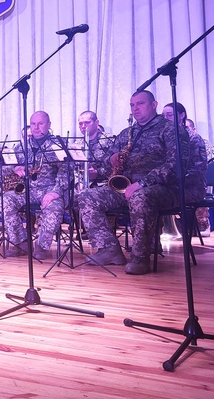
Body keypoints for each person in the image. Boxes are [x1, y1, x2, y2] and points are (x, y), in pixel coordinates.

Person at [78, 90, 189, 274]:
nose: (135, 108)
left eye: (140, 103)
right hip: (126, 187)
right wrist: (111, 159)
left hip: (162, 188)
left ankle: (140, 257)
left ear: (154, 105)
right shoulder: (126, 133)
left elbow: (176, 165)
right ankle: (109, 249)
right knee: (87, 196)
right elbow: (105, 165)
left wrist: (142, 183)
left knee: (139, 197)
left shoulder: (171, 130)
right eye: (132, 105)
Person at [1, 111, 71, 260]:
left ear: (49, 125)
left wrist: (55, 192)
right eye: (33, 124)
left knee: (53, 208)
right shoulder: (22, 146)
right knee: (4, 200)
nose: (36, 127)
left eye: (40, 124)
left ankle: (41, 246)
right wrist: (15, 168)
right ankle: (21, 243)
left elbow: (67, 171)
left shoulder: (58, 145)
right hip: (28, 189)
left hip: (51, 189)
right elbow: (4, 166)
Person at [163, 102, 208, 235]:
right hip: (170, 185)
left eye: (170, 115)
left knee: (157, 196)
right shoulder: (164, 138)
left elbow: (199, 169)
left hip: (192, 187)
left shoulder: (193, 138)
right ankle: (153, 239)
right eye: (163, 116)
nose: (165, 118)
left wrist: (175, 180)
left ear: (182, 115)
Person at [76, 110, 114, 188]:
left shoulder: (109, 140)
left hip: (104, 184)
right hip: (82, 184)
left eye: (87, 122)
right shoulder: (77, 143)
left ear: (96, 123)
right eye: (80, 123)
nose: (83, 126)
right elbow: (74, 168)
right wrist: (77, 183)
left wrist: (97, 173)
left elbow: (115, 166)